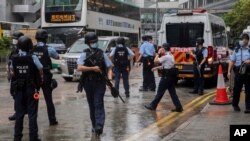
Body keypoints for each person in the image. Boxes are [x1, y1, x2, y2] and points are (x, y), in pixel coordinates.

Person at [77, 32, 113, 136]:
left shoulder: (102, 53)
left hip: (100, 83)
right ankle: (94, 125)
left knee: (98, 103)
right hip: (88, 83)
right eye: (93, 42)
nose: (95, 43)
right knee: (91, 105)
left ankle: (99, 126)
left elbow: (110, 67)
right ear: (88, 43)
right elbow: (79, 67)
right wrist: (92, 68)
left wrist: (110, 81)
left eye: (96, 41)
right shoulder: (84, 53)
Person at [11, 36, 43, 141]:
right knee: (32, 114)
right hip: (32, 89)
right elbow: (40, 69)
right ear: (29, 45)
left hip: (19, 89)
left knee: (19, 114)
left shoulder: (14, 58)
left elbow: (12, 72)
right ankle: (33, 138)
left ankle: (17, 138)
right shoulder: (32, 57)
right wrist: (39, 78)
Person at [144, 43, 183, 112]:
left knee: (160, 92)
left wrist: (157, 53)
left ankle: (153, 105)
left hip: (166, 77)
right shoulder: (170, 55)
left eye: (161, 48)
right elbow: (166, 65)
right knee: (173, 93)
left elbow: (155, 61)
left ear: (164, 49)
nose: (160, 49)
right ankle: (179, 107)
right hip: (170, 77)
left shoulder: (166, 56)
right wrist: (156, 68)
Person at [32, 29, 59, 126]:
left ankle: (33, 119)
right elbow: (57, 57)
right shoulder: (49, 49)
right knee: (48, 100)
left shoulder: (32, 48)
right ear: (46, 38)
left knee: (35, 98)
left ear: (36, 38)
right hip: (46, 77)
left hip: (35, 78)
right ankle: (52, 120)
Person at [228, 33, 250, 113]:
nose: (244, 40)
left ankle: (248, 107)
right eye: (243, 39)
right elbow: (232, 61)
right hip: (238, 71)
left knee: (248, 90)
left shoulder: (249, 49)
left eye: (245, 39)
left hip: (248, 71)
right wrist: (229, 71)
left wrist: (249, 61)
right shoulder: (236, 50)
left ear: (248, 40)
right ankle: (235, 105)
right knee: (237, 89)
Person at [7, 31, 24, 121]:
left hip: (20, 76)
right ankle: (19, 111)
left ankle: (19, 112)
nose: (14, 41)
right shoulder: (14, 49)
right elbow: (10, 62)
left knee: (18, 94)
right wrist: (9, 74)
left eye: (15, 39)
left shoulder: (23, 50)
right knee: (14, 94)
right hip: (13, 76)